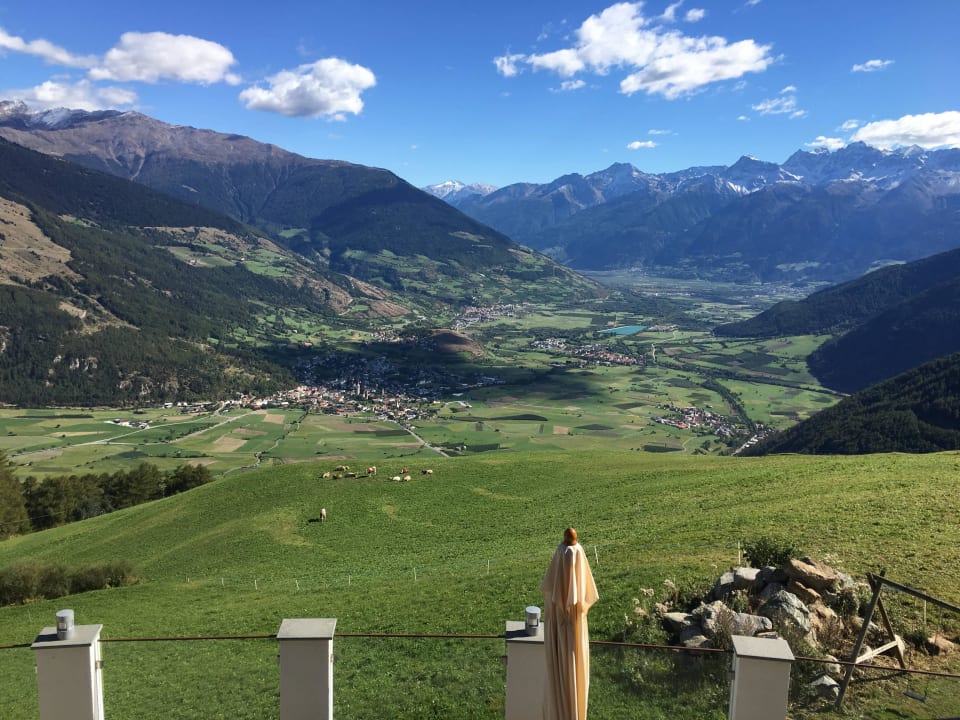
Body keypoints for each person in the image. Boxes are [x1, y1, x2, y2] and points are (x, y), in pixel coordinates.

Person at [541, 527, 599, 720]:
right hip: (570, 631)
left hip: (566, 630)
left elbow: (554, 590)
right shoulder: (571, 619)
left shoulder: (555, 614)